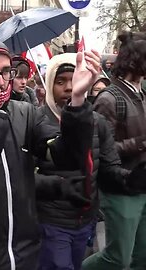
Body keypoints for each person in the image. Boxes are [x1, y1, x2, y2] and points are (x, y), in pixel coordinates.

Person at [0, 37, 101, 270]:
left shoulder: (24, 112)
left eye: (6, 72)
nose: (2, 82)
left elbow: (66, 156)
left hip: (24, 252)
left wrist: (78, 100)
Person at [35, 53, 130, 270]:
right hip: (50, 222)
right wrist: (59, 187)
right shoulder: (35, 121)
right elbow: (22, 175)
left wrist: (132, 178)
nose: (69, 87)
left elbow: (109, 168)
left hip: (85, 221)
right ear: (49, 85)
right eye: (60, 82)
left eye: (74, 79)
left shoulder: (98, 122)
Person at [82, 31, 146, 270]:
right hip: (121, 189)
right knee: (116, 258)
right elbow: (98, 150)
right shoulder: (109, 98)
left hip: (143, 185)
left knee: (143, 256)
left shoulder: (142, 93)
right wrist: (140, 143)